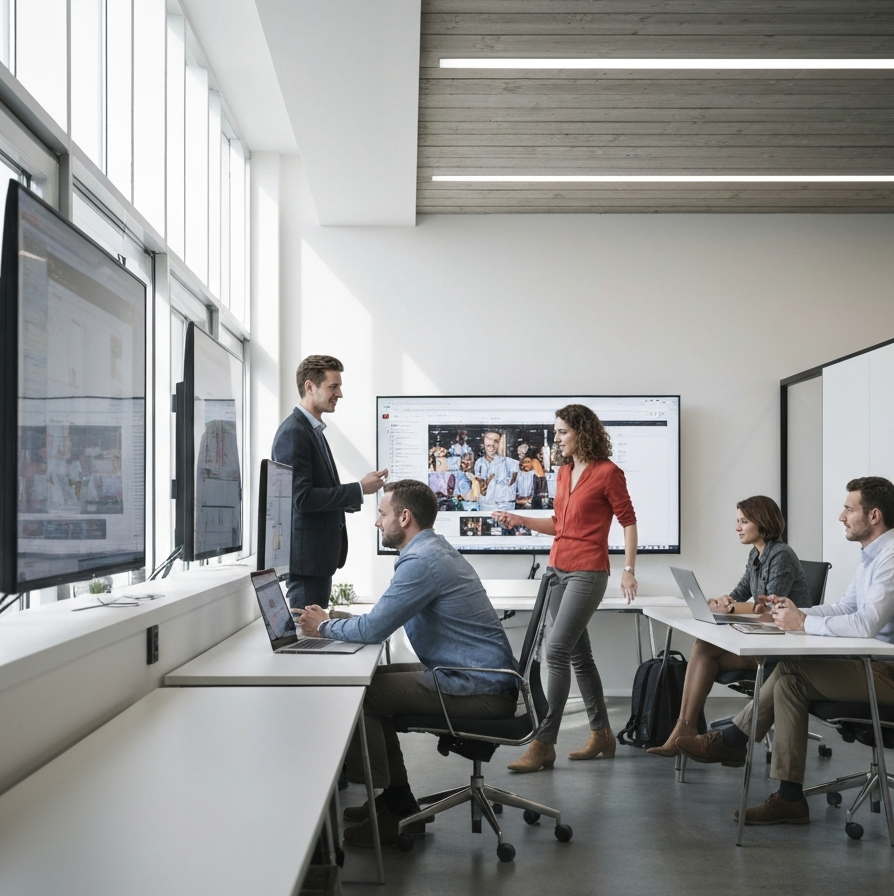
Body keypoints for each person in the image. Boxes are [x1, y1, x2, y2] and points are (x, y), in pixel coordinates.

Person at [677, 477, 894, 826]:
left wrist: (802, 624)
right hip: (876, 669)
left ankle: (734, 739)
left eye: (849, 508)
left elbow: (864, 625)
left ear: (874, 515)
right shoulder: (874, 555)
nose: (841, 516)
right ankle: (788, 798)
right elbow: (845, 607)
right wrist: (797, 613)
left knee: (791, 671)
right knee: (789, 680)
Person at [297, 479, 519, 846]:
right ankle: (394, 800)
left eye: (381, 514)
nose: (376, 522)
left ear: (404, 517)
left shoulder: (421, 562)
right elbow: (383, 616)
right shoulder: (432, 549)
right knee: (375, 682)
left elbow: (373, 629)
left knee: (362, 697)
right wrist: (333, 619)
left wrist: (322, 627)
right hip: (481, 677)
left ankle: (395, 810)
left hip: (478, 687)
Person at [492, 404, 638, 770]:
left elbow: (629, 522)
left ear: (582, 432)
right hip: (557, 569)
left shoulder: (608, 473)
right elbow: (559, 524)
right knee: (577, 654)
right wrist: (519, 519)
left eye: (562, 432)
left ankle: (544, 742)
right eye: (556, 432)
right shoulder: (564, 472)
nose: (556, 439)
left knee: (555, 649)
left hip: (588, 572)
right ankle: (602, 733)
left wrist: (629, 569)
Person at [648, 496, 809, 757]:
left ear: (763, 523)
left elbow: (769, 609)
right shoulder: (755, 556)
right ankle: (685, 729)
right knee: (704, 648)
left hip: (782, 648)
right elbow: (740, 593)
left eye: (744, 521)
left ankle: (689, 732)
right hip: (763, 640)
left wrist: (733, 609)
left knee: (705, 652)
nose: (737, 528)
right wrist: (725, 602)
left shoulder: (782, 556)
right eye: (738, 521)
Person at [272, 355, 388, 609]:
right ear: (310, 387)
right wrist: (359, 489)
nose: (340, 394)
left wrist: (359, 490)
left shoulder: (312, 430)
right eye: (333, 387)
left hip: (316, 562)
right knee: (307, 640)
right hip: (307, 566)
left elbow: (316, 492)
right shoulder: (294, 433)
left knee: (313, 636)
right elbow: (302, 500)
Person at [475, 431, 519, 511]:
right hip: (484, 507)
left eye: (495, 441)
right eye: (488, 441)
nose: (492, 445)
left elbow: (510, 486)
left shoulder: (512, 463)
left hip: (504, 508)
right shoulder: (479, 462)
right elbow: (481, 488)